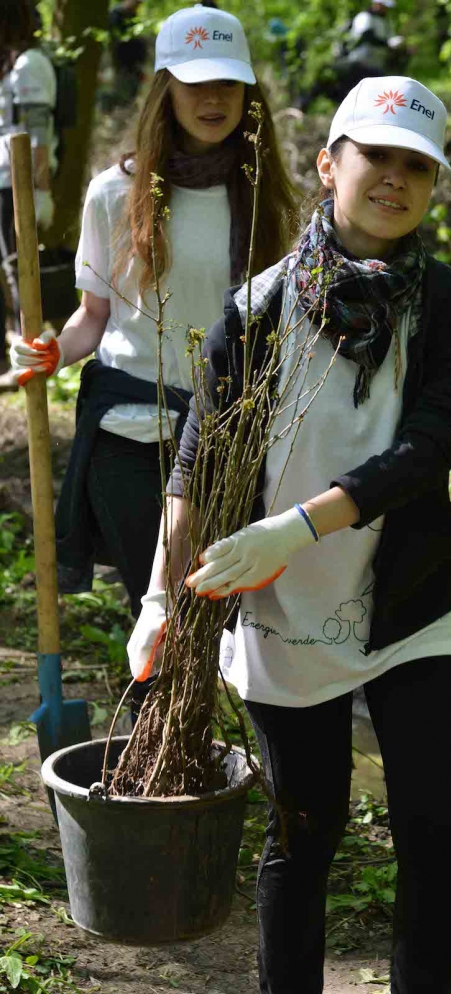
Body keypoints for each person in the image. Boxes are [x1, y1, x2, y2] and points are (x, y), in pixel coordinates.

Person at [129, 74, 451, 993]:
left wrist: (297, 524)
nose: (395, 179)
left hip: (411, 607)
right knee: (305, 833)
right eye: (377, 156)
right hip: (286, 608)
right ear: (330, 163)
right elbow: (197, 468)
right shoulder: (257, 315)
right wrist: (158, 598)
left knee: (435, 836)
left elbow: (427, 448)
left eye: (418, 166)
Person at [11, 4, 299, 720]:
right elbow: (94, 318)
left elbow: (283, 328)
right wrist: (46, 353)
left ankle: (185, 753)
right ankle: (150, 761)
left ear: (248, 93)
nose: (212, 100)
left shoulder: (263, 196)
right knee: (165, 611)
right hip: (131, 433)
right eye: (194, 83)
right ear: (164, 87)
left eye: (228, 86)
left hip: (229, 439)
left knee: (210, 612)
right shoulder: (116, 193)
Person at [0, 0, 56, 383]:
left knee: (18, 268)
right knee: (8, 268)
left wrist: (41, 191)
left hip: (18, 184)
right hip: (4, 181)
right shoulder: (11, 63)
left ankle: (31, 354)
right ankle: (15, 355)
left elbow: (38, 134)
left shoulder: (31, 63)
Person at [108, 0, 147, 107]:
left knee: (130, 99)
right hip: (121, 66)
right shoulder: (115, 16)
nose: (137, 5)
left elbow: (139, 44)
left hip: (134, 68)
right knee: (121, 98)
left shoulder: (134, 19)